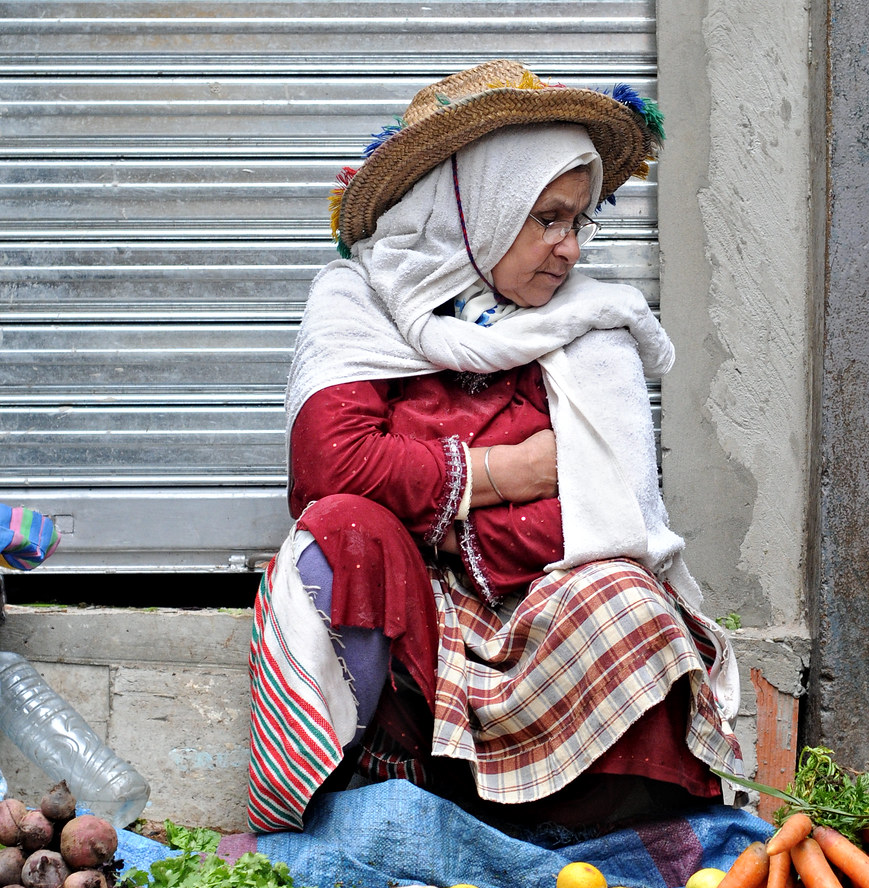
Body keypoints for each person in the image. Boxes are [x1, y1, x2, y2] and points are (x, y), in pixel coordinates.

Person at [246, 60, 743, 835]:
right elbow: (330, 469)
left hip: (539, 607)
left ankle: (558, 827)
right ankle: (373, 784)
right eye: (547, 218)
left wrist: (440, 514)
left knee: (629, 602)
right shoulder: (360, 302)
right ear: (479, 207)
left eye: (580, 222)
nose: (571, 249)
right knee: (345, 529)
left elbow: (599, 524)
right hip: (414, 636)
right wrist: (503, 473)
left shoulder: (591, 327)